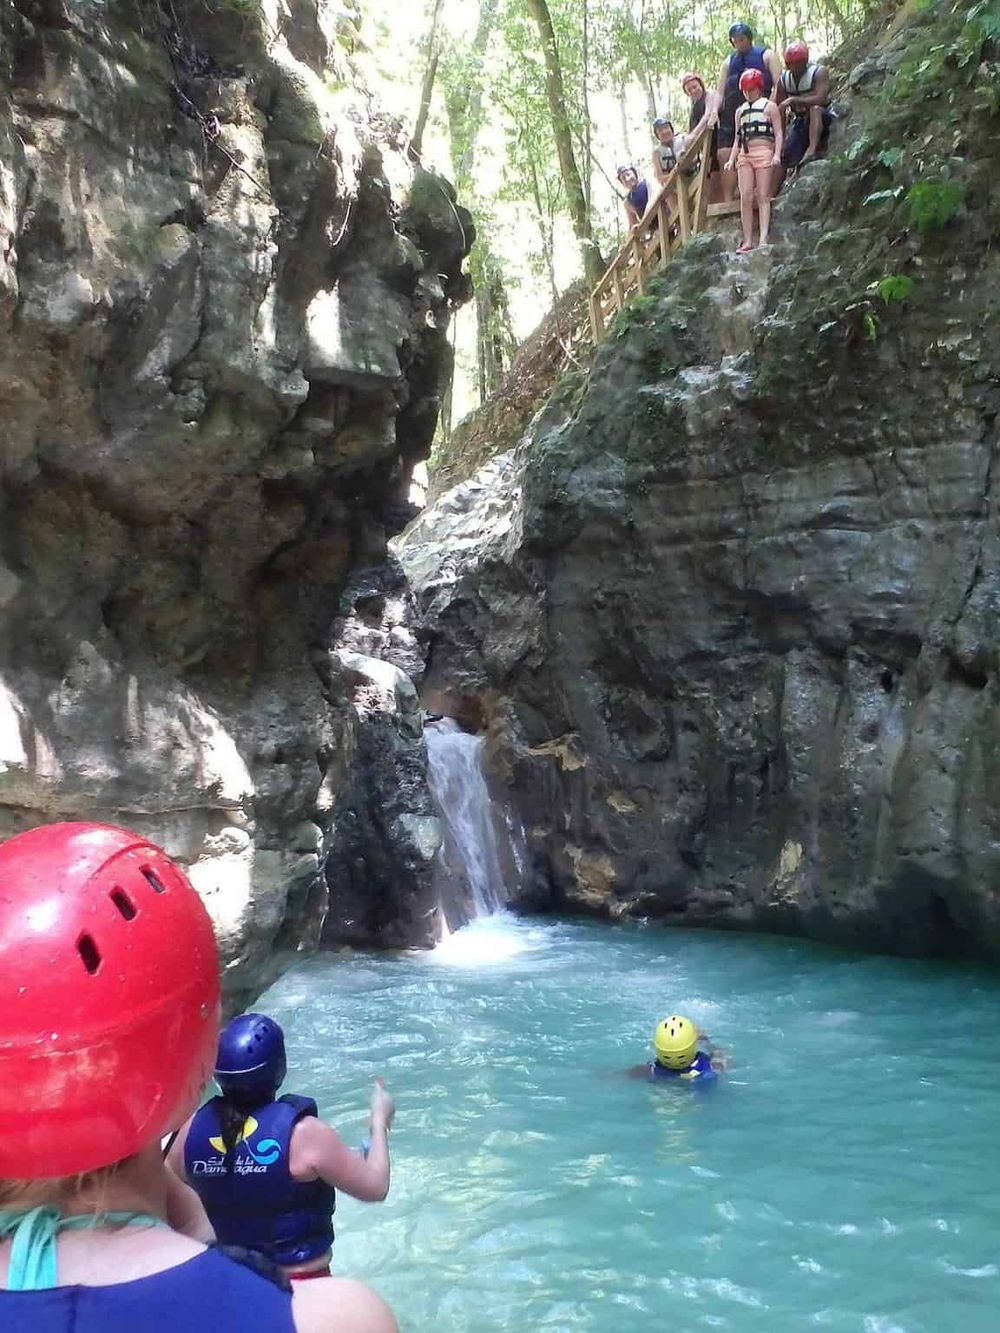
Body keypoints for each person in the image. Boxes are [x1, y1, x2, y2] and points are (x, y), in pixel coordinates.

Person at [0, 821, 396, 1333]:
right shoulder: (336, 1317)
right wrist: (379, 1122)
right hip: (300, 1276)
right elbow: (373, 1186)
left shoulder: (191, 1138)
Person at [168, 1014, 394, 1280]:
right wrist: (379, 1122)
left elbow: (167, 1191)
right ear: (278, 1067)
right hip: (300, 1284)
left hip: (232, 1284)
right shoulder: (306, 1134)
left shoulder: (190, 1130)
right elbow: (375, 1187)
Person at [709, 23, 782, 202]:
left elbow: (779, 83)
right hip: (734, 112)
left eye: (741, 39)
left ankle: (763, 193)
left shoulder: (766, 55)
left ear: (749, 38)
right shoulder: (728, 62)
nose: (738, 44)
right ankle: (729, 199)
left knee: (761, 149)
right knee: (724, 153)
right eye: (735, 41)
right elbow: (719, 91)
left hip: (761, 109)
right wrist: (713, 112)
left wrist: (770, 106)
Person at [725, 68, 783, 253]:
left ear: (759, 88)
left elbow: (778, 133)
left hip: (764, 152)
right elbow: (737, 138)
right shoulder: (740, 111)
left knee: (763, 196)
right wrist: (731, 159)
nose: (748, 93)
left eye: (751, 89)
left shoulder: (769, 106)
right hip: (745, 154)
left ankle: (764, 237)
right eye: (745, 90)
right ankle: (748, 240)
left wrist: (777, 154)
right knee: (746, 196)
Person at [775, 39, 832, 184]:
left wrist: (794, 100)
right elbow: (779, 110)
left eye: (799, 62)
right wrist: (780, 141)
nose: (795, 67)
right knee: (785, 156)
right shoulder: (783, 81)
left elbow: (820, 98)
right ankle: (771, 194)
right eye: (791, 63)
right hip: (800, 122)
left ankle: (812, 150)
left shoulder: (819, 73)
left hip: (822, 116)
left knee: (815, 109)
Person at [629, 1015, 725, 1082]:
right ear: (692, 1045)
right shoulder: (710, 1067)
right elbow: (719, 1054)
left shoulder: (647, 1070)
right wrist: (705, 1040)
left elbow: (617, 1078)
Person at [681, 72, 721, 202]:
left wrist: (693, 135)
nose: (693, 91)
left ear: (701, 84)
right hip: (705, 148)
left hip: (716, 138)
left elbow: (708, 115)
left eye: (695, 87)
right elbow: (691, 128)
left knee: (716, 172)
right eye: (689, 90)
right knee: (708, 175)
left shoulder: (710, 95)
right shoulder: (694, 107)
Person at [617, 164, 650, 232]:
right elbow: (632, 224)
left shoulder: (647, 183)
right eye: (623, 178)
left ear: (634, 173)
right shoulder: (628, 202)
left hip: (663, 213)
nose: (627, 179)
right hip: (651, 226)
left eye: (628, 174)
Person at [651, 118, 680, 188]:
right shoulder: (656, 153)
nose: (664, 132)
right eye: (660, 130)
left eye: (666, 127)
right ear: (657, 135)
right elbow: (660, 178)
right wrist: (674, 174)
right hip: (672, 187)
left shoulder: (681, 141)